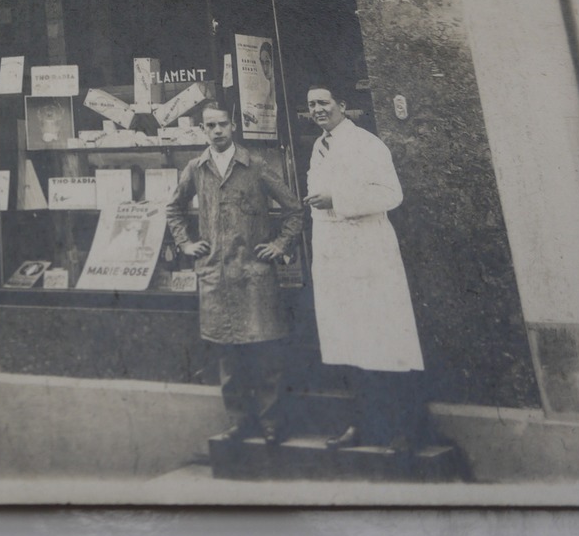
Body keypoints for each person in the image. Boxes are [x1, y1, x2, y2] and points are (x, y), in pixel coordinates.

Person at [303, 83, 429, 453]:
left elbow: (392, 194)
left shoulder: (368, 144)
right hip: (335, 257)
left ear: (342, 104)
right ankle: (361, 424)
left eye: (324, 102)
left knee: (386, 341)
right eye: (311, 105)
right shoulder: (319, 146)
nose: (318, 109)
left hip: (369, 256)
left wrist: (336, 199)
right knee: (350, 344)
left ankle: (403, 430)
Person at [166, 103, 303, 444]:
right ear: (203, 130)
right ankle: (240, 422)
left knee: (266, 354)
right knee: (229, 357)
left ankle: (273, 424)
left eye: (223, 124)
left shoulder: (256, 165)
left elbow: (294, 210)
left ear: (234, 126)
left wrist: (279, 246)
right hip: (217, 275)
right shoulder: (196, 168)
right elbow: (173, 208)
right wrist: (185, 244)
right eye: (210, 126)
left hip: (254, 274)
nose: (217, 131)